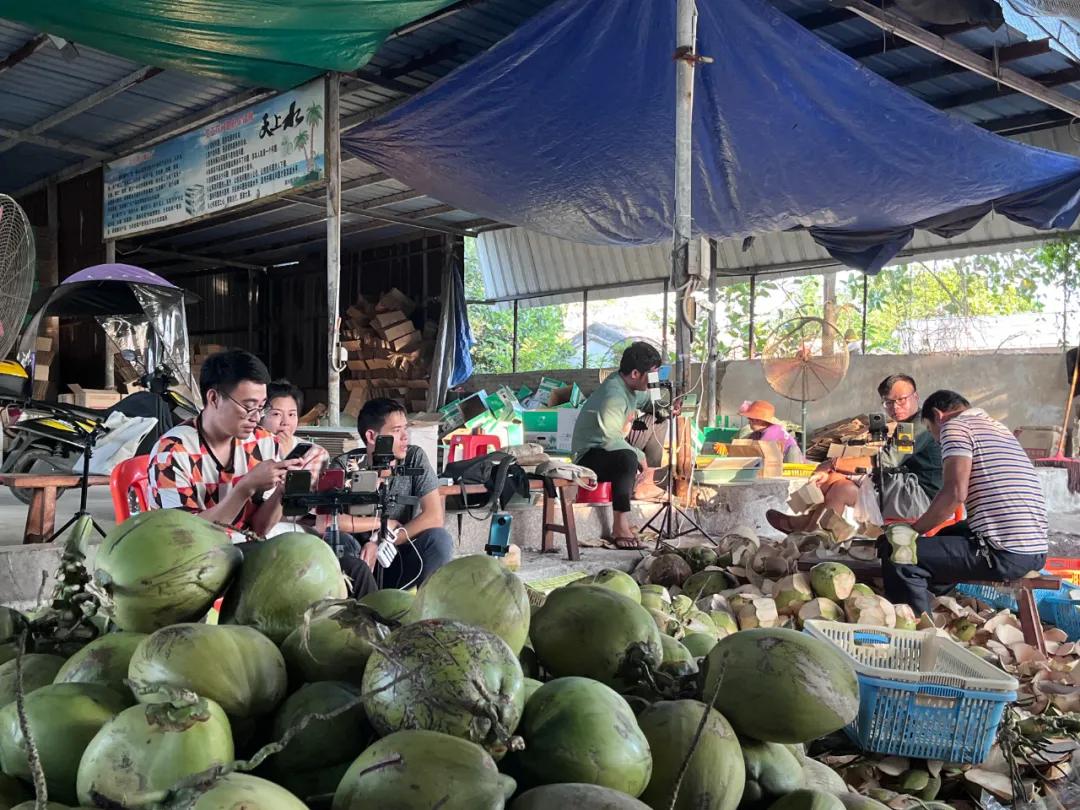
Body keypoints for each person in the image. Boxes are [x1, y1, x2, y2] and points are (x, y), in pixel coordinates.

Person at [880, 390, 1048, 615]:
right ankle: (939, 605)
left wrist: (912, 531)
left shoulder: (954, 427)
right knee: (944, 537)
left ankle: (917, 632)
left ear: (939, 415)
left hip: (1005, 553)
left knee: (897, 554)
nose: (937, 440)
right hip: (1035, 551)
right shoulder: (997, 427)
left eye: (931, 431)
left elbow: (955, 493)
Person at [148, 350, 323, 538]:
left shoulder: (262, 442)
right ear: (214, 398)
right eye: (248, 406)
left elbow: (258, 530)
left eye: (262, 406)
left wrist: (282, 491)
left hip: (244, 549)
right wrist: (245, 487)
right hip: (191, 559)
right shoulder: (171, 453)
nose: (256, 417)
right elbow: (185, 537)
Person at [766, 373, 942, 533]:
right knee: (839, 489)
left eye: (901, 400)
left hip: (923, 499)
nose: (895, 407)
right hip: (905, 490)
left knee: (835, 478)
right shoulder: (907, 424)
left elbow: (887, 461)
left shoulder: (920, 425)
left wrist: (833, 464)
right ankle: (811, 530)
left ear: (916, 397)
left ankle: (808, 529)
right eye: (888, 403)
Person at [328, 398, 453, 588]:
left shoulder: (414, 458)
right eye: (396, 431)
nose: (405, 437)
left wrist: (381, 541)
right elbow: (331, 521)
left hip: (397, 555)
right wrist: (381, 524)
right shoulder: (344, 466)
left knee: (439, 539)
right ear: (372, 436)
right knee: (338, 540)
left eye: (405, 429)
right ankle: (363, 610)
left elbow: (434, 516)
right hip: (359, 564)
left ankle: (427, 609)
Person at [572, 341, 661, 549]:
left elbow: (649, 403)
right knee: (627, 457)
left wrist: (666, 408)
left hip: (611, 448)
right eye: (652, 374)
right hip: (590, 456)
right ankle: (620, 525)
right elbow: (610, 439)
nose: (655, 380)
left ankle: (647, 482)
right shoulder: (613, 395)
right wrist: (639, 455)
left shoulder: (632, 387)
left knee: (661, 421)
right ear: (636, 374)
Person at [738, 400, 802, 462]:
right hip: (779, 462)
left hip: (792, 463)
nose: (749, 422)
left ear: (760, 420)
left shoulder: (772, 431)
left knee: (792, 450)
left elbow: (758, 451)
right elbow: (747, 446)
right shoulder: (757, 433)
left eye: (751, 420)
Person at [261, 379, 303, 456]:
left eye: (291, 414)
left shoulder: (311, 453)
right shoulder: (245, 447)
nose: (285, 422)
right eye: (276, 414)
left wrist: (288, 454)